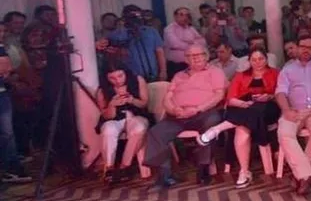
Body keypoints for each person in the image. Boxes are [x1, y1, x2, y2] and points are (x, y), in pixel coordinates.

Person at [143, 44, 225, 187]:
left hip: (203, 112)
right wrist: (174, 109)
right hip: (178, 115)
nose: (196, 58)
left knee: (211, 125)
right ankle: (165, 174)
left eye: (199, 55)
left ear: (206, 56)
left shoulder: (215, 72)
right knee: (156, 132)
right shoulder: (178, 75)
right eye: (191, 56)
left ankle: (204, 169)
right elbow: (167, 98)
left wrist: (198, 109)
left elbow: (219, 95)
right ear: (186, 59)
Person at [198, 46, 280, 188]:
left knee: (255, 110)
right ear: (249, 61)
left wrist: (269, 96)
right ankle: (244, 171)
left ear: (266, 59)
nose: (258, 62)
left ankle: (217, 129)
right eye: (254, 60)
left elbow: (282, 93)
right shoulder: (241, 75)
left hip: (268, 108)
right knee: (242, 128)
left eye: (261, 59)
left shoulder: (276, 73)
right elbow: (231, 98)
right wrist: (243, 103)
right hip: (244, 108)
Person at [275, 35, 311, 196]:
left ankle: (299, 174)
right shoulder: (288, 69)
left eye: (310, 47)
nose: (306, 50)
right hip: (294, 109)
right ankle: (306, 175)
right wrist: (286, 110)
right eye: (303, 47)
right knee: (284, 133)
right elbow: (280, 92)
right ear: (297, 48)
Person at [95, 60, 150, 183]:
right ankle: (109, 167)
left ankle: (125, 165)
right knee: (108, 130)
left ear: (125, 73)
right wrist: (112, 105)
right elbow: (107, 116)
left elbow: (144, 103)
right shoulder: (102, 90)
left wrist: (132, 100)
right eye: (112, 78)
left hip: (136, 115)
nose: (117, 80)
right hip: (115, 119)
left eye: (120, 76)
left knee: (139, 129)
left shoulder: (137, 80)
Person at [106, 4, 167, 82]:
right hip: (130, 78)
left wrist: (163, 71)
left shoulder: (151, 31)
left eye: (138, 16)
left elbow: (159, 52)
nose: (136, 19)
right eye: (132, 17)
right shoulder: (116, 35)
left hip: (152, 75)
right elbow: (111, 58)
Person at [0, 36, 30, 183]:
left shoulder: (1, 47)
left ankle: (11, 169)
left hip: (2, 93)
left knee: (7, 133)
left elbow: (8, 68)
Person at [163, 7, 205, 79]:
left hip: (191, 65)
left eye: (187, 15)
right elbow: (175, 44)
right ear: (175, 16)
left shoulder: (191, 29)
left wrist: (187, 43)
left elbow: (203, 42)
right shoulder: (169, 29)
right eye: (181, 15)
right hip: (176, 66)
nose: (185, 17)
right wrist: (192, 44)